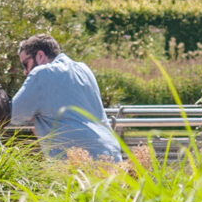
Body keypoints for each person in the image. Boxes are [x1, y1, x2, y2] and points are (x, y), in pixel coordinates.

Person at [9, 33, 125, 162]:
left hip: (79, 161)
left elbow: (14, 115)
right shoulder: (83, 69)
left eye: (25, 64)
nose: (25, 72)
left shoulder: (41, 73)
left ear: (40, 55)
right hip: (111, 153)